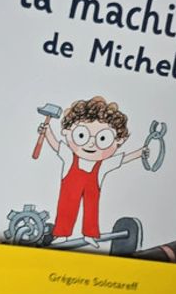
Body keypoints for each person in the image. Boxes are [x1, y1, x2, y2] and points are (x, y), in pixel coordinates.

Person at [38, 96, 148, 247]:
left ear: (118, 141)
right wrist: (47, 131)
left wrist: (140, 152)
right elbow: (56, 144)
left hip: (91, 192)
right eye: (81, 136)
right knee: (67, 206)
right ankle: (61, 234)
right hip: (69, 192)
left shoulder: (102, 165)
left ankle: (90, 235)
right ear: (67, 132)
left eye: (102, 138)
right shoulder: (69, 157)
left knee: (91, 208)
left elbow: (123, 159)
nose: (91, 143)